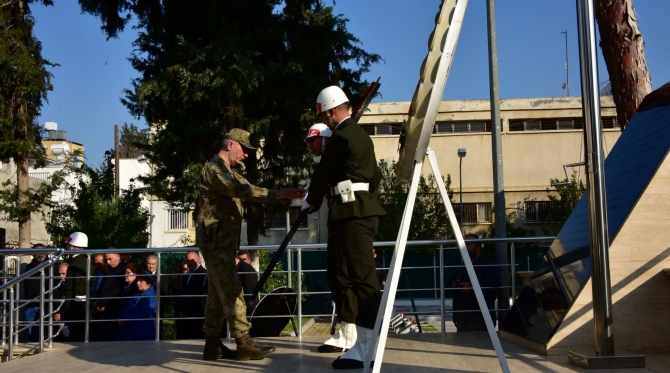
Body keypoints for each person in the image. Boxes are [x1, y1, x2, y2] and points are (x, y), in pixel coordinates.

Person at [196, 128, 304, 361]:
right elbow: (241, 190)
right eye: (244, 149)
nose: (246, 154)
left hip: (221, 242)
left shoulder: (228, 171)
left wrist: (280, 194)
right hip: (216, 242)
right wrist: (275, 194)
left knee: (217, 294)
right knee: (233, 291)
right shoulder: (214, 170)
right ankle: (243, 342)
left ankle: (212, 345)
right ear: (230, 144)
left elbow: (245, 189)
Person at [302, 86, 387, 369]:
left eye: (326, 115)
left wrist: (310, 202)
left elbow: (323, 170)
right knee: (351, 276)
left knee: (363, 280)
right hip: (355, 210)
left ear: (332, 111)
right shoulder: (361, 137)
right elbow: (374, 176)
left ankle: (364, 349)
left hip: (353, 214)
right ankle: (359, 345)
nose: (326, 121)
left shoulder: (341, 138)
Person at [451, 234, 501, 332]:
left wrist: (472, 287)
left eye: (468, 244)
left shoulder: (487, 265)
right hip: (462, 318)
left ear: (478, 247)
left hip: (480, 318)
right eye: (463, 245)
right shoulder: (463, 266)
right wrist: (455, 285)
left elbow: (495, 282)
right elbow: (454, 281)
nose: (465, 247)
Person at [60, 232, 91, 342]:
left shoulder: (75, 264)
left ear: (74, 246)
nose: (67, 248)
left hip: (75, 307)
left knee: (74, 337)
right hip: (86, 305)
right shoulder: (88, 260)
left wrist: (64, 312)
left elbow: (70, 289)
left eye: (68, 245)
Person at [176, 251, 207, 339]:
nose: (190, 263)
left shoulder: (204, 274)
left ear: (199, 260)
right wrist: (183, 308)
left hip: (198, 311)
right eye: (188, 261)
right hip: (187, 311)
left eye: (192, 260)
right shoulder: (187, 275)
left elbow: (201, 293)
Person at [118, 274, 157, 341]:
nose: (138, 283)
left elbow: (144, 312)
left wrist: (127, 320)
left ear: (149, 283)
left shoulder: (151, 296)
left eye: (141, 281)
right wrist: (121, 318)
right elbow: (128, 307)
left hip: (143, 331)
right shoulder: (137, 294)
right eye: (137, 280)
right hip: (130, 330)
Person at [22, 244, 47, 342]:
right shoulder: (29, 268)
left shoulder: (51, 265)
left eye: (42, 252)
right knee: (31, 334)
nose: (40, 255)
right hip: (30, 306)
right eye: (37, 252)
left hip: (46, 305)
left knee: (47, 331)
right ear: (33, 254)